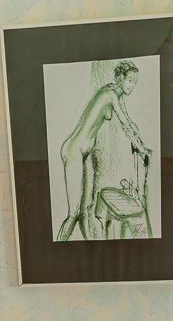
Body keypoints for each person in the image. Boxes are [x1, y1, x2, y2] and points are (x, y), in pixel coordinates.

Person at [55, 60, 151, 242]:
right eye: (130, 80)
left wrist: (142, 145)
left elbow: (129, 123)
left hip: (84, 154)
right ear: (120, 78)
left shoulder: (116, 95)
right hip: (75, 151)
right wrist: (141, 149)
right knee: (74, 213)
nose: (132, 86)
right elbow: (124, 125)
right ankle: (57, 251)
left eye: (135, 82)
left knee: (86, 210)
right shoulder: (110, 94)